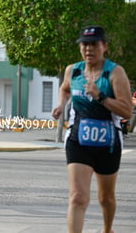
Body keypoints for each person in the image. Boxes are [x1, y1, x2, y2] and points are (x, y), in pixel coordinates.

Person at [51, 26, 133, 233]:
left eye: (94, 44)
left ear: (104, 46)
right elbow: (64, 88)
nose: (88, 49)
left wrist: (101, 97)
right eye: (84, 44)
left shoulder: (115, 72)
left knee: (106, 198)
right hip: (78, 140)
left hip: (109, 144)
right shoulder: (73, 70)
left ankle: (107, 229)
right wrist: (61, 104)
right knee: (78, 198)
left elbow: (126, 112)